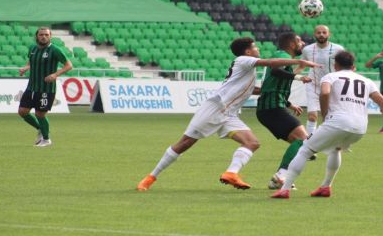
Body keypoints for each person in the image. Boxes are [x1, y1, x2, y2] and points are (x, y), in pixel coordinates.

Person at [136, 37, 320, 191]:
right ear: (247, 52)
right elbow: (271, 63)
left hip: (229, 114)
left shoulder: (248, 69)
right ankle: (151, 177)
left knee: (252, 143)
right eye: (255, 47)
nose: (258, 49)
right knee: (185, 143)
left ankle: (231, 173)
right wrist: (299, 62)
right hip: (215, 108)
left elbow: (259, 90)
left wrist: (287, 101)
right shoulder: (243, 60)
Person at [271, 51, 383, 199]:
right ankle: (325, 187)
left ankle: (284, 189)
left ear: (335, 65)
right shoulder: (367, 81)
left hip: (338, 122)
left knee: (305, 149)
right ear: (354, 67)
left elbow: (324, 93)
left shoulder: (330, 76)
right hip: (360, 128)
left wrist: (325, 115)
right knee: (335, 149)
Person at [255, 32, 312, 190]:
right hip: (271, 108)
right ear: (292, 44)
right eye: (300, 41)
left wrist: (289, 103)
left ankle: (279, 179)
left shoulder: (283, 59)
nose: (303, 44)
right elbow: (275, 72)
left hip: (271, 107)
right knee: (304, 141)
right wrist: (300, 77)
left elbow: (275, 82)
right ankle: (281, 175)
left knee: (302, 145)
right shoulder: (280, 55)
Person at [18, 27, 73, 147]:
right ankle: (41, 129)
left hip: (46, 89)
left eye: (46, 35)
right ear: (37, 36)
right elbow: (31, 61)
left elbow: (69, 65)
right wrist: (26, 68)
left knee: (40, 114)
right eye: (41, 35)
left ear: (50, 36)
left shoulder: (55, 50)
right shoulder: (32, 48)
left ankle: (46, 139)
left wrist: (55, 74)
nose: (44, 37)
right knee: (22, 112)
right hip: (31, 87)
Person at [301, 25, 345, 136]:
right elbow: (302, 65)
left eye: (324, 32)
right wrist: (292, 76)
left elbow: (345, 66)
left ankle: (333, 141)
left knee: (331, 117)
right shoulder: (307, 49)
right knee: (312, 116)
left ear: (329, 34)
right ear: (314, 34)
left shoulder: (338, 49)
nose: (321, 34)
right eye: (318, 32)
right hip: (313, 85)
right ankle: (309, 142)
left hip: (332, 86)